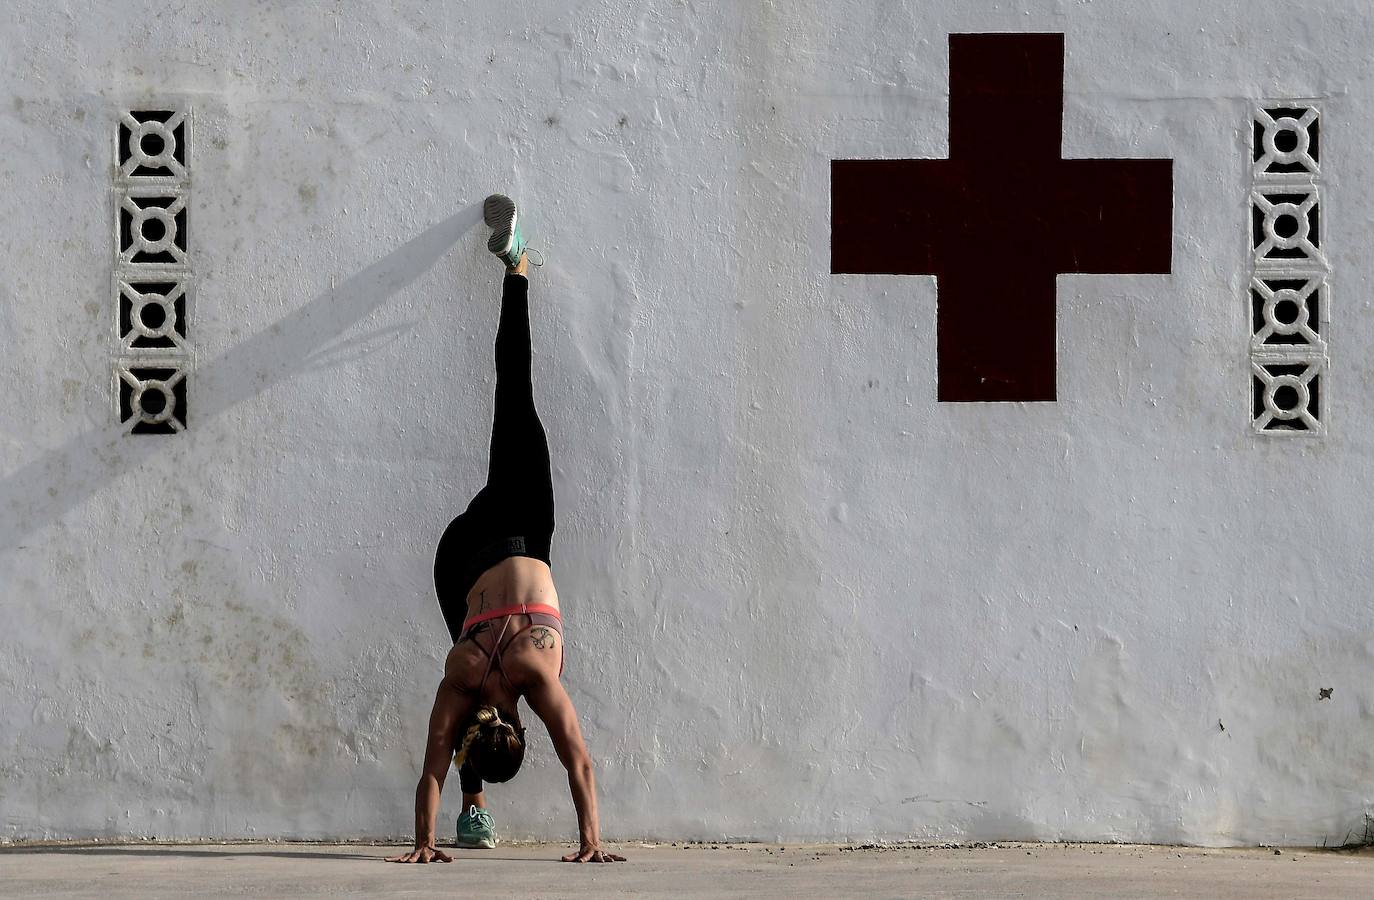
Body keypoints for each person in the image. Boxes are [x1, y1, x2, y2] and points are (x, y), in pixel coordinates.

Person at [388, 195, 625, 865]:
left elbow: (578, 759)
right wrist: (422, 844)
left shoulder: (531, 669)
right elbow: (434, 760)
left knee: (513, 388)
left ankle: (516, 268)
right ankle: (471, 814)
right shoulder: (464, 677)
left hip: (518, 525)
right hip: (457, 554)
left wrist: (593, 842)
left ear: (519, 727)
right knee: (459, 674)